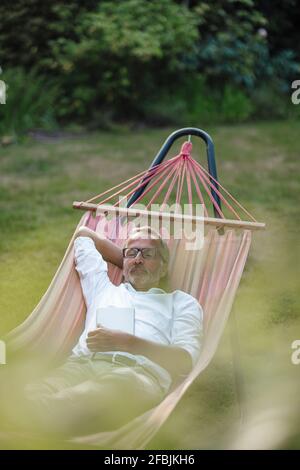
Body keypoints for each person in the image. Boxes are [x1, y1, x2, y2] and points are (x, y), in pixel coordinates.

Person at [2, 225, 203, 437]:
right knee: (36, 391)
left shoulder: (180, 302)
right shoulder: (103, 288)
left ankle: (21, 419)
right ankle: (28, 418)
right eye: (132, 253)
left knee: (96, 394)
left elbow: (184, 360)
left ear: (164, 269)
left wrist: (128, 343)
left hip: (137, 375)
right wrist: (130, 261)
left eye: (148, 254)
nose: (138, 259)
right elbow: (83, 235)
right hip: (81, 366)